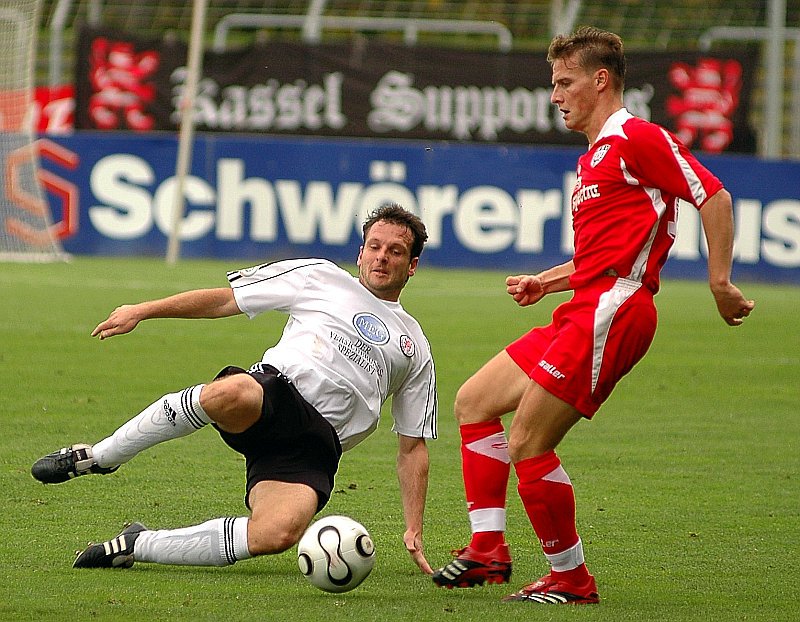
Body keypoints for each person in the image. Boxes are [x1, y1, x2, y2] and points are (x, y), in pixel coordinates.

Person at [431, 27, 755, 604]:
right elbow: (600, 254)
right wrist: (546, 281)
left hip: (616, 306)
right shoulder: (595, 156)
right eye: (553, 84)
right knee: (474, 401)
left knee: (528, 442)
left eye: (564, 82)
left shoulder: (636, 136)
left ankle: (571, 578)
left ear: (600, 80)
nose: (555, 95)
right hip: (585, 303)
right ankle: (488, 549)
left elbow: (714, 195)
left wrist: (719, 281)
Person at [31, 203, 437, 576]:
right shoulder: (319, 277)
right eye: (374, 247)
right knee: (231, 393)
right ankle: (100, 456)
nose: (382, 257)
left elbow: (412, 445)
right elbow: (226, 301)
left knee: (276, 534)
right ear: (360, 253)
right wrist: (143, 310)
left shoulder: (414, 345)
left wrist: (413, 526)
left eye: (395, 251)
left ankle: (136, 544)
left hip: (315, 446)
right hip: (277, 395)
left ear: (412, 265)